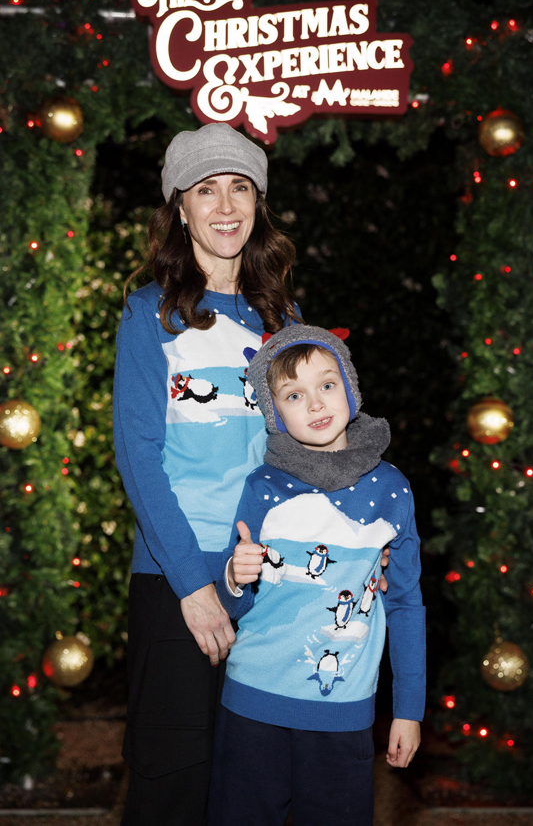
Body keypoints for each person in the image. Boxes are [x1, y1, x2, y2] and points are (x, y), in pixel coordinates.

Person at [113, 122, 300, 826]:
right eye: (206, 189)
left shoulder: (282, 318)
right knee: (173, 785)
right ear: (180, 207)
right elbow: (139, 460)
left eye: (241, 187)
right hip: (177, 582)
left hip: (269, 578)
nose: (226, 205)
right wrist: (194, 586)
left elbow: (302, 454)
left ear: (258, 203)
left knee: (256, 787)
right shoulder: (148, 316)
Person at [209, 324, 426, 826]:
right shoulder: (263, 484)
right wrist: (236, 577)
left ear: (349, 386)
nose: (315, 404)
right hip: (251, 708)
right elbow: (234, 601)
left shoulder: (391, 490)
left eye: (327, 385)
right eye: (293, 394)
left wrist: (409, 710)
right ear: (274, 413)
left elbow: (406, 604)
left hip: (343, 715)